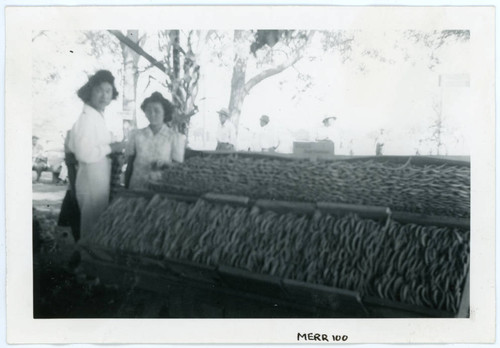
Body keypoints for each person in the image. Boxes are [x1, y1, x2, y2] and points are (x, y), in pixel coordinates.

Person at [68, 70, 125, 239]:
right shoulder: (86, 119)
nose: (104, 95)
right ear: (89, 91)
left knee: (95, 226)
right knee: (90, 229)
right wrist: (112, 148)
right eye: (99, 90)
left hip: (98, 179)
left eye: (108, 91)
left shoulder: (97, 117)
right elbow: (84, 154)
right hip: (91, 181)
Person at [125, 92, 186, 190]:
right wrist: (126, 189)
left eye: (156, 110)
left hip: (162, 187)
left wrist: (164, 165)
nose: (152, 114)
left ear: (165, 112)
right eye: (148, 110)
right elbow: (129, 166)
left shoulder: (175, 137)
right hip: (137, 186)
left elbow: (177, 169)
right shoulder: (136, 135)